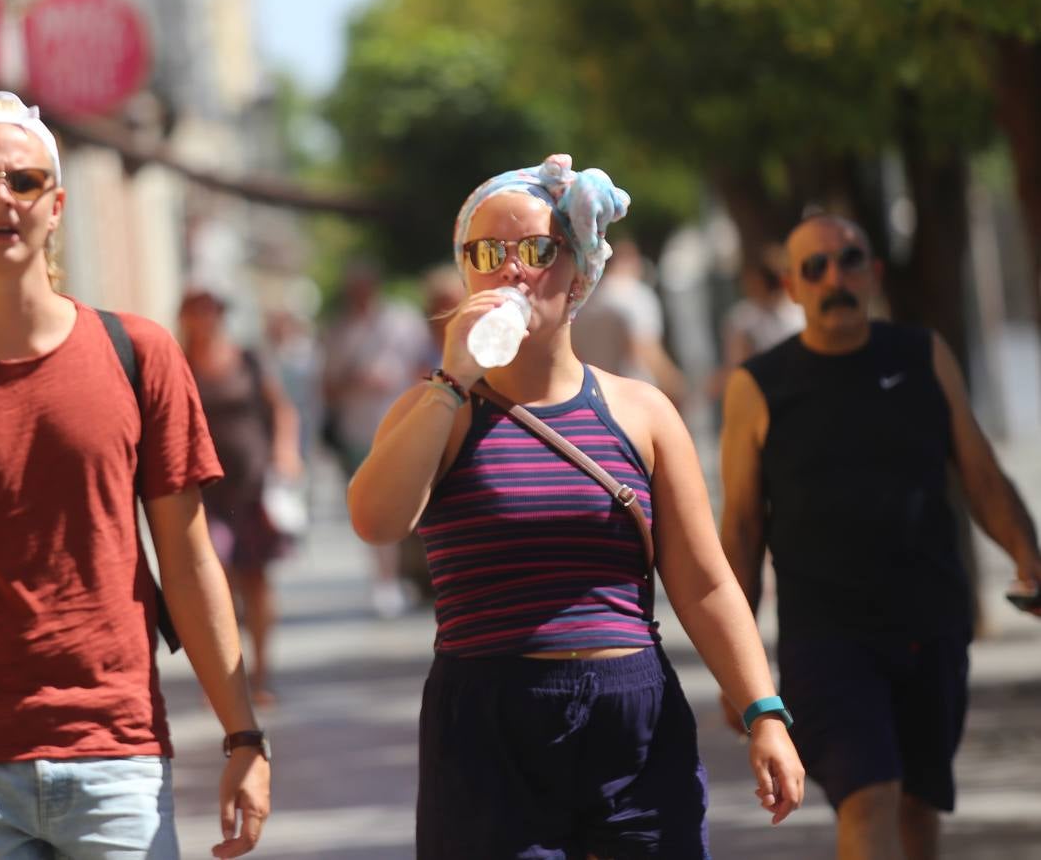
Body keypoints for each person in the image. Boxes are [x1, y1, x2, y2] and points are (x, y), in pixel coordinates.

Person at [0, 92, 270, 860]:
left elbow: (191, 558)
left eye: (23, 181)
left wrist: (244, 735)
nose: (0, 197)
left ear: (56, 204)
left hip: (117, 750)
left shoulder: (139, 355)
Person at [348, 154, 804, 858]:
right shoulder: (435, 407)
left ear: (580, 270)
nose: (510, 271)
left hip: (632, 717)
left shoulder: (640, 411)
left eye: (535, 250)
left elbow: (704, 579)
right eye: (485, 253)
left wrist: (763, 710)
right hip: (487, 723)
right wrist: (451, 378)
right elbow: (376, 521)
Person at [718, 212, 1041, 860]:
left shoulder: (922, 355)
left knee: (920, 810)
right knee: (868, 797)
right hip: (828, 640)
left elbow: (979, 472)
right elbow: (743, 527)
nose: (835, 277)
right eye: (815, 267)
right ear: (792, 286)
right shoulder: (760, 386)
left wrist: (1029, 561)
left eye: (850, 260)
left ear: (874, 272)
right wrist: (738, 668)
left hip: (931, 625)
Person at [178, 286, 303, 707]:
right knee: (214, 579)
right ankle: (224, 677)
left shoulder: (247, 359)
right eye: (195, 310)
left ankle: (262, 673)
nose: (203, 318)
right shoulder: (178, 363)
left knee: (256, 579)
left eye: (210, 310)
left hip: (251, 487)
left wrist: (285, 451)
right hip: (204, 491)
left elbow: (282, 409)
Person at [322, 264, 433, 617]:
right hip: (360, 431)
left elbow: (425, 365)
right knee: (375, 504)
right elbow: (328, 387)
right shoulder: (338, 331)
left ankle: (410, 575)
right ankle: (385, 579)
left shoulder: (403, 321)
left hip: (406, 423)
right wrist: (357, 380)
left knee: (412, 501)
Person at [571, 238, 688, 407]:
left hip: (594, 399)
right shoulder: (635, 295)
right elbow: (646, 352)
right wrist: (677, 387)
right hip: (634, 399)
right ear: (630, 259)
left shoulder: (584, 303)